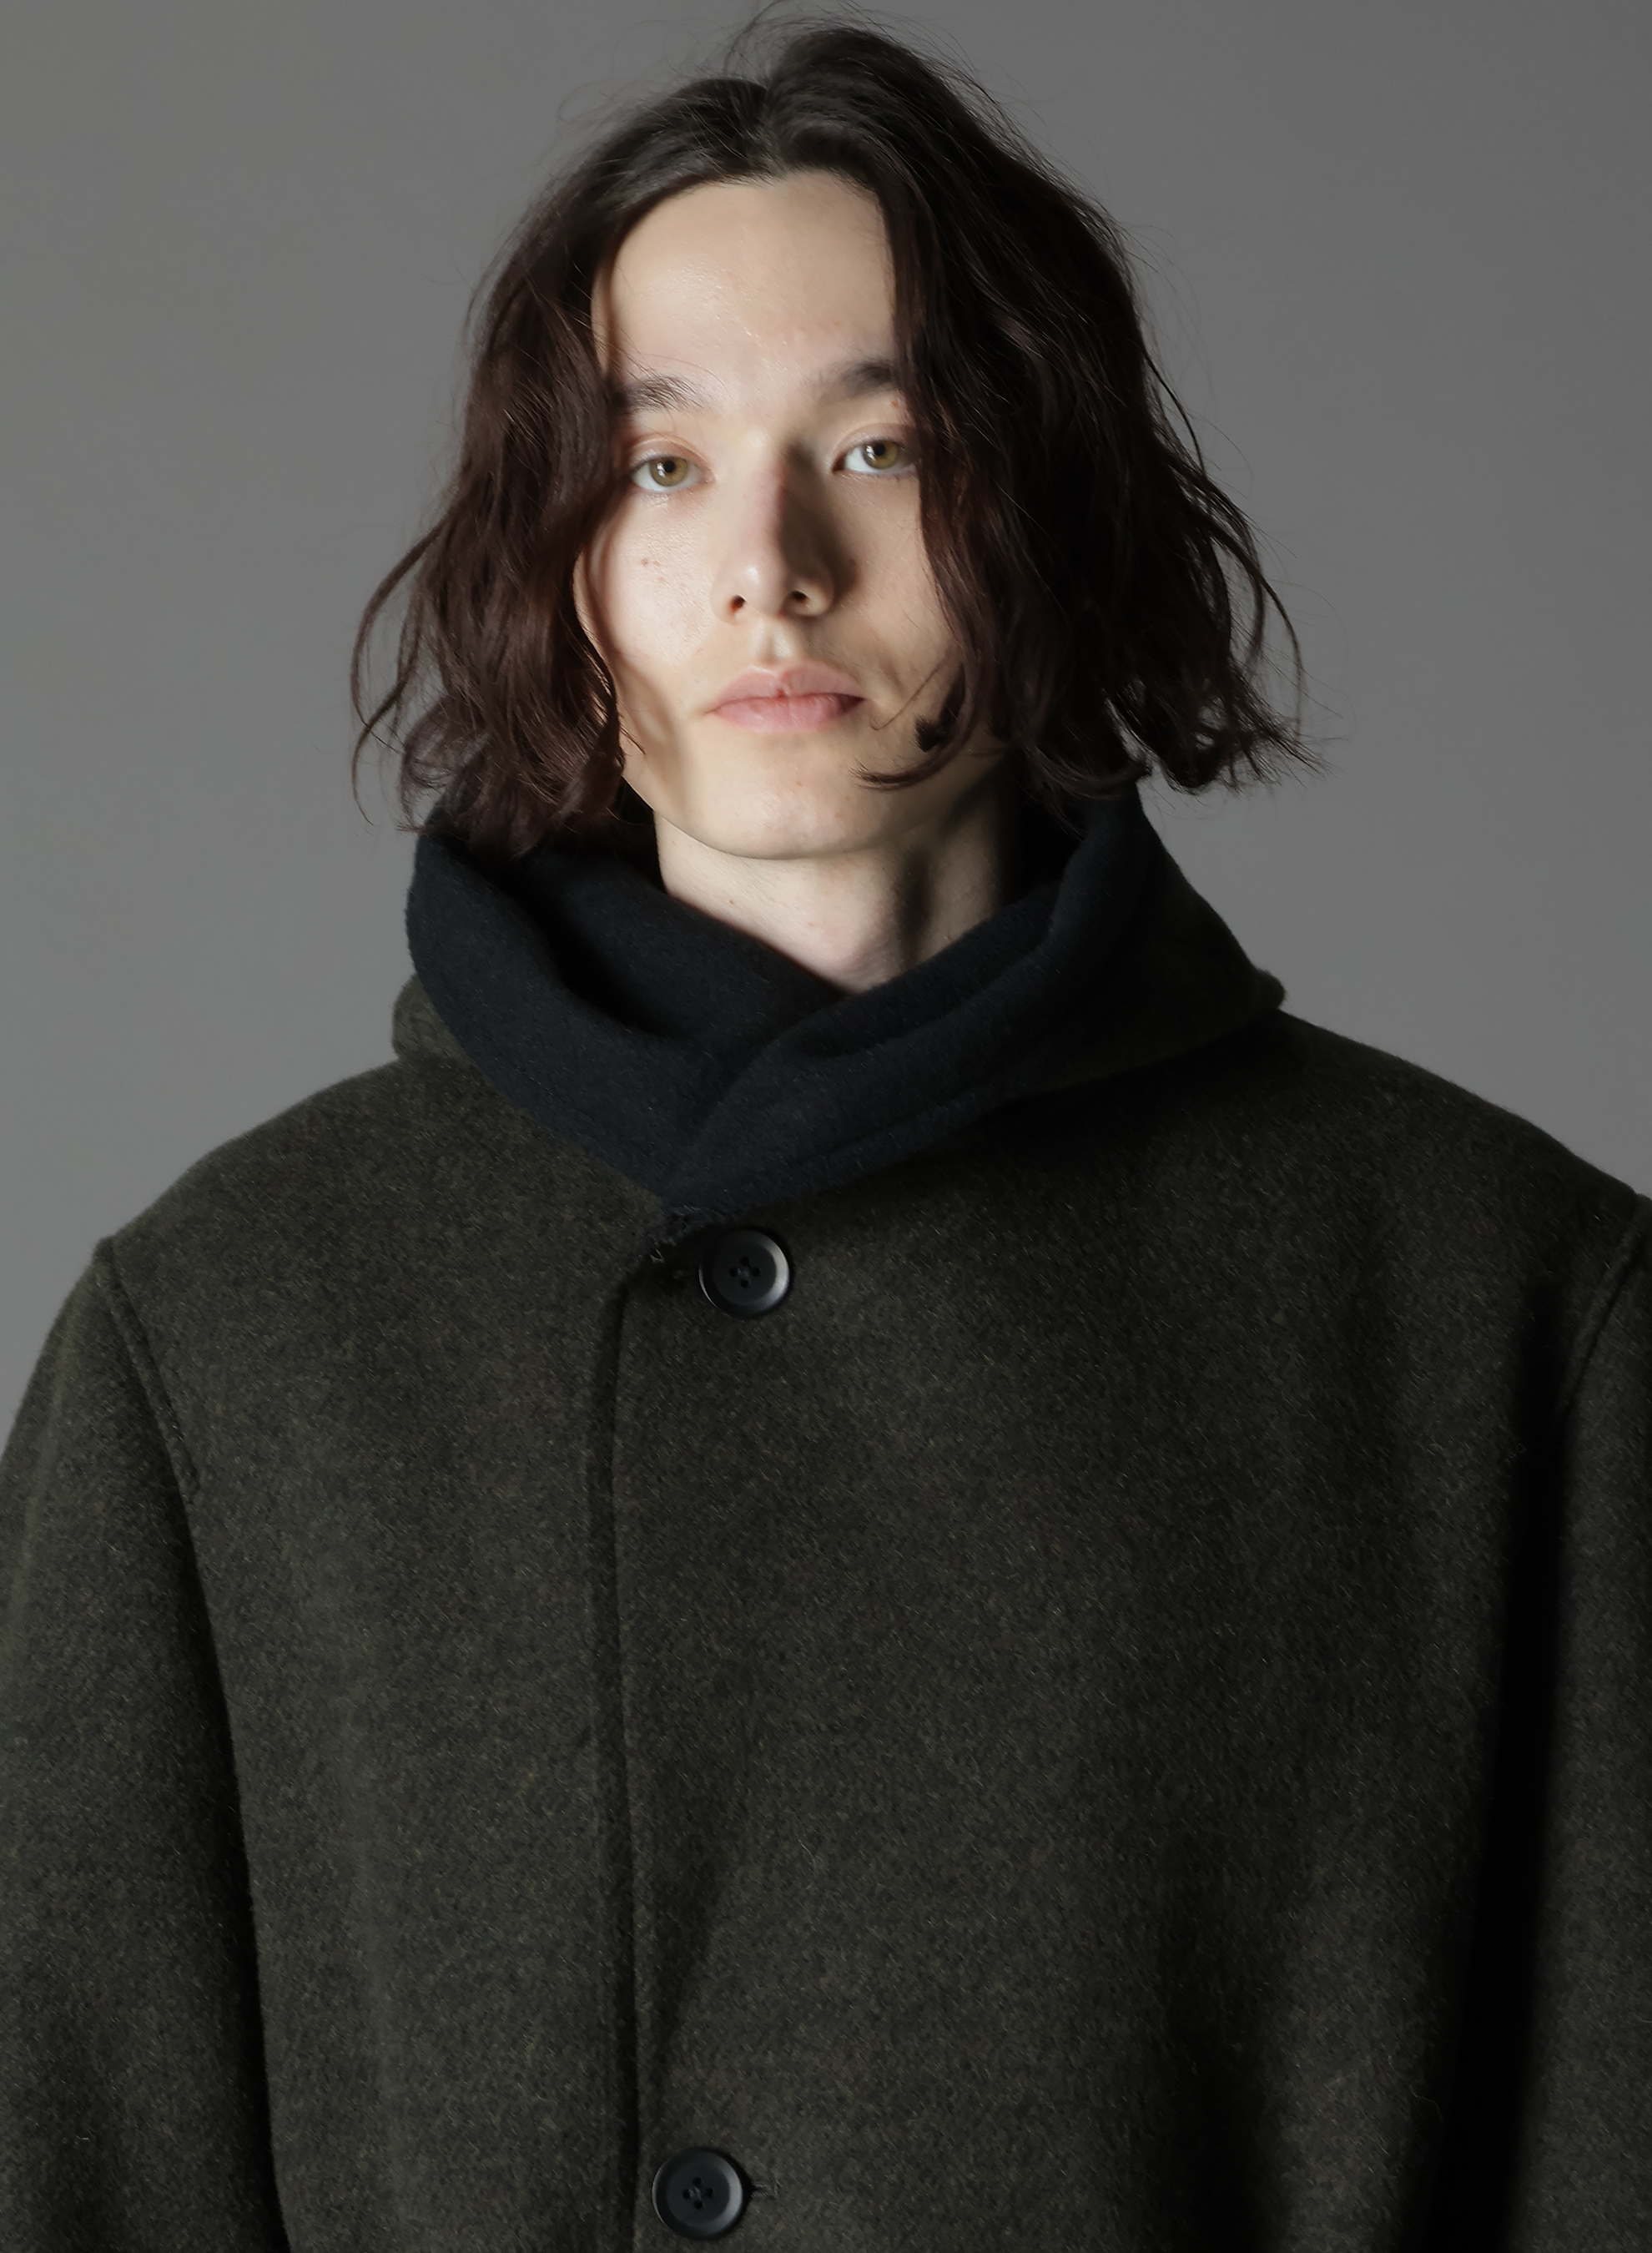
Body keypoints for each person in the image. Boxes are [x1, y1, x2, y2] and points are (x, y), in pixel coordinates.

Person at [2, 21, 1646, 2250]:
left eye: (879, 448)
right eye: (661, 464)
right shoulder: (232, 1332)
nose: (767, 564)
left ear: (1053, 510)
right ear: (556, 561)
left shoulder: (1495, 1305)